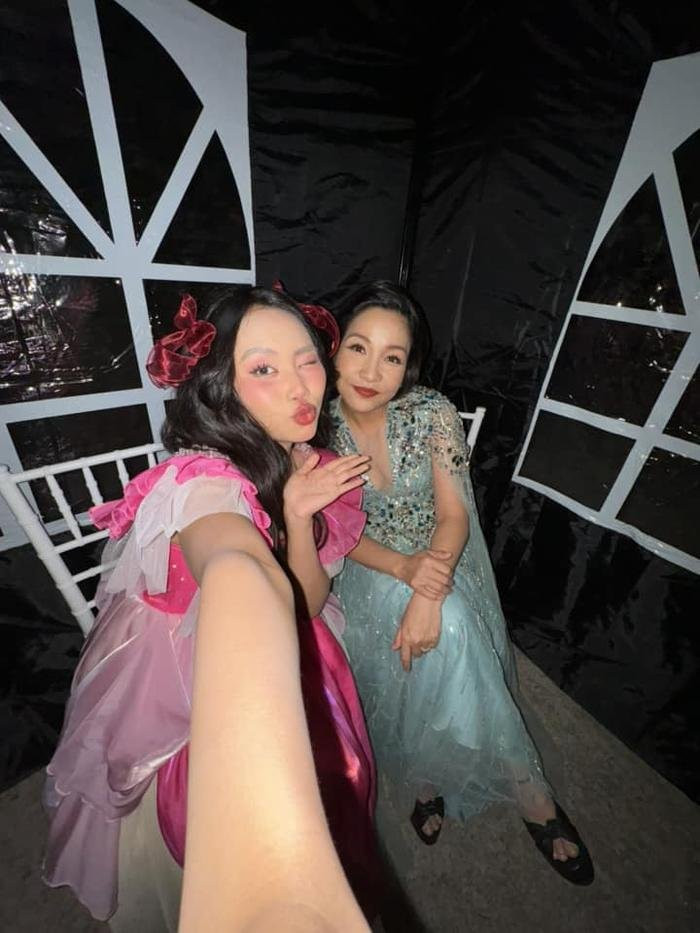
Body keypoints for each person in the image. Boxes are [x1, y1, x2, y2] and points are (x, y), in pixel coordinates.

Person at [42, 286, 377, 929]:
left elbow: (307, 604)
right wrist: (241, 572)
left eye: (307, 360)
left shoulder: (304, 459)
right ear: (221, 387)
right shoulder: (202, 480)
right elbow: (233, 559)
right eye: (263, 368)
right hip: (179, 672)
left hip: (290, 636)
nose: (299, 386)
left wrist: (298, 516)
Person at [329, 280, 594, 885]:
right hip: (366, 566)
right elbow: (332, 536)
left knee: (445, 622)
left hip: (445, 553)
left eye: (392, 357)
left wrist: (428, 587)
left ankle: (457, 782)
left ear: (408, 366)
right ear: (332, 349)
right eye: (358, 348)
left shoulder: (432, 413)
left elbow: (454, 515)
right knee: (445, 629)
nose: (371, 371)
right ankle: (504, 789)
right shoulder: (310, 428)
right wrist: (405, 573)